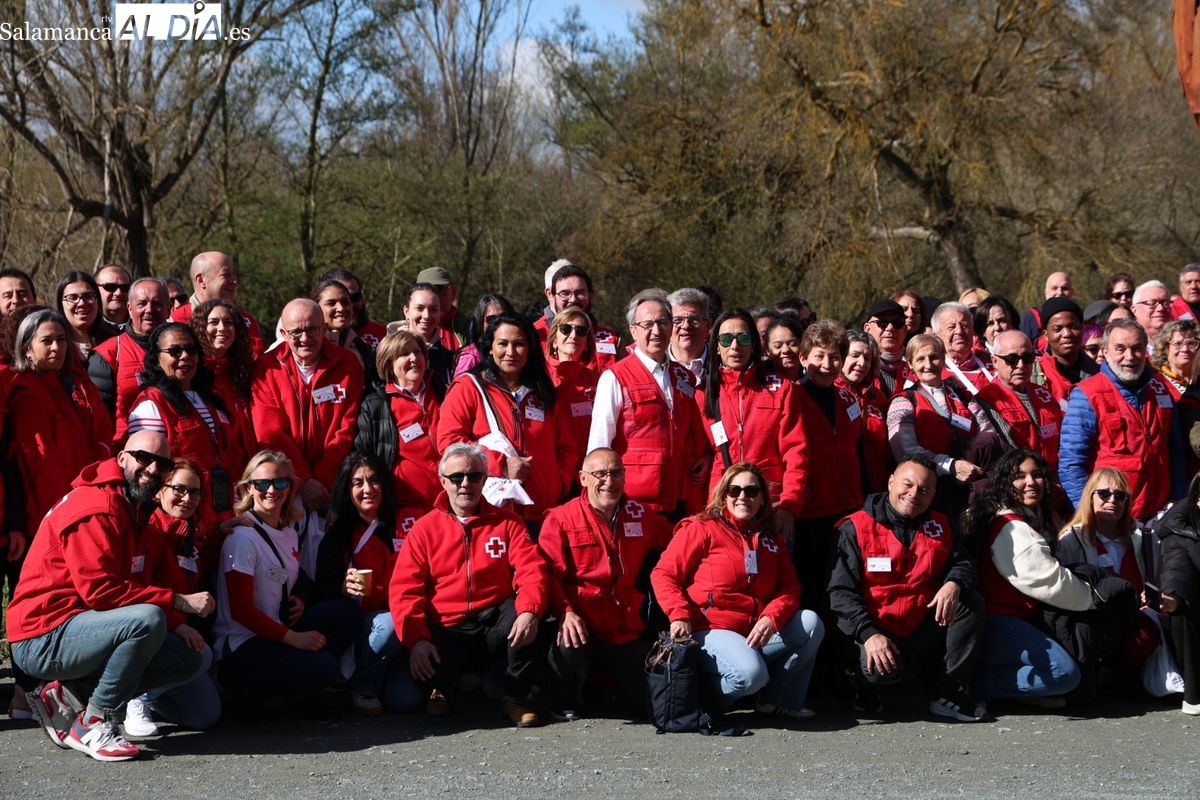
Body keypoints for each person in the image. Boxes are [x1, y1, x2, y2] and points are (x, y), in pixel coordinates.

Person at [8, 431, 212, 761]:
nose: (152, 469)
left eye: (162, 464)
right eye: (144, 458)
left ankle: (66, 699)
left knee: (190, 657)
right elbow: (101, 592)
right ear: (121, 458)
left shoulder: (132, 507)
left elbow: (134, 581)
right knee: (147, 620)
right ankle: (95, 722)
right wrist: (177, 601)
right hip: (41, 635)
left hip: (78, 626)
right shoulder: (98, 506)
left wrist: (176, 622)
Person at [388, 443, 551, 727]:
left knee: (528, 617)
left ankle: (514, 697)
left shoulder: (508, 522)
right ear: (443, 482)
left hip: (494, 622)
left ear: (484, 480)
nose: (465, 483)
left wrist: (530, 610)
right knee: (414, 684)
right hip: (447, 626)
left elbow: (532, 570)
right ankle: (444, 686)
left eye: (474, 476)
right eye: (456, 477)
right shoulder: (424, 530)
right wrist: (417, 640)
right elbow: (405, 590)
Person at [651, 462, 824, 722]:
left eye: (752, 491)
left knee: (810, 623)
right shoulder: (700, 528)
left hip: (753, 631)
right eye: (735, 490)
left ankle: (776, 701)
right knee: (751, 674)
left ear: (762, 499)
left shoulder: (770, 538)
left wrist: (771, 617)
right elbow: (663, 573)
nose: (743, 497)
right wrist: (679, 614)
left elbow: (789, 587)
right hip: (710, 629)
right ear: (724, 495)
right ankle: (699, 705)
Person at [827, 455, 986, 722]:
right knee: (876, 671)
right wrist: (869, 634)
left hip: (920, 622)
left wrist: (954, 583)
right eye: (907, 484)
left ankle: (950, 692)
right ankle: (862, 686)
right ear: (891, 482)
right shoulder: (853, 527)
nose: (914, 494)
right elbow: (839, 593)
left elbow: (964, 564)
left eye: (924, 490)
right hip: (873, 628)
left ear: (933, 494)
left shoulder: (943, 525)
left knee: (969, 602)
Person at [213, 451, 358, 703]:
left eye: (280, 482)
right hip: (243, 640)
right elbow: (241, 611)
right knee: (324, 668)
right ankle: (253, 690)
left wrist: (301, 597)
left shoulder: (288, 529)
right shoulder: (242, 537)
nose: (271, 490)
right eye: (262, 484)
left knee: (348, 612)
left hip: (277, 625)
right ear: (249, 488)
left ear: (290, 486)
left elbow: (294, 577)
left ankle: (294, 682)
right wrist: (296, 640)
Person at [538, 448, 672, 719]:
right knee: (567, 644)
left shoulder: (639, 514)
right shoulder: (561, 519)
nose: (609, 481)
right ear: (583, 478)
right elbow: (547, 576)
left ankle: (603, 687)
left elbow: (678, 538)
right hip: (580, 621)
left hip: (622, 627)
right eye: (600, 474)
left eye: (616, 473)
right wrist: (565, 612)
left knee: (654, 704)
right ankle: (561, 697)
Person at [963, 449, 1091, 707]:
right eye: (1019, 476)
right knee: (1064, 674)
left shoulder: (1036, 517)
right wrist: (1096, 596)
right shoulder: (1012, 528)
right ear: (1005, 483)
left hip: (1023, 619)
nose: (1031, 482)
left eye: (1037, 474)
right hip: (997, 622)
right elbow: (1053, 584)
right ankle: (970, 686)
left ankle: (1022, 691)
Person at [127, 322, 251, 574]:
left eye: (191, 350)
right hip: (181, 524)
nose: (185, 356)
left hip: (222, 516)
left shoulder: (211, 399)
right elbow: (145, 476)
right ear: (156, 358)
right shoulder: (151, 404)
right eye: (175, 351)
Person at [437, 312, 572, 530]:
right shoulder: (468, 388)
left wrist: (558, 484)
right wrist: (499, 465)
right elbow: (449, 443)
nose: (510, 352)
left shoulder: (543, 391)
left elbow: (565, 448)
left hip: (542, 513)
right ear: (490, 348)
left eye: (519, 344)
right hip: (492, 511)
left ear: (530, 349)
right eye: (502, 344)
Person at [587, 289, 711, 518]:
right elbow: (599, 444)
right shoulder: (615, 377)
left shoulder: (684, 377)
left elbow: (692, 434)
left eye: (663, 323)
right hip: (633, 502)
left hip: (679, 500)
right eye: (647, 324)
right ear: (633, 330)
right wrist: (600, 505)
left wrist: (706, 457)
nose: (656, 331)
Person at [315, 453, 422, 715]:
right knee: (391, 622)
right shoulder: (337, 537)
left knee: (406, 701)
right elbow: (322, 593)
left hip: (413, 622)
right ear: (346, 489)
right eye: (357, 483)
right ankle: (363, 685)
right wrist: (341, 587)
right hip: (370, 628)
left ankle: (379, 675)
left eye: (374, 480)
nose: (367, 489)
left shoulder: (412, 521)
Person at [125, 459, 222, 736]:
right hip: (148, 633)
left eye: (195, 492)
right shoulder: (147, 532)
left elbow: (195, 569)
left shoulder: (188, 532)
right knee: (202, 656)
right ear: (159, 492)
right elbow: (134, 596)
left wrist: (220, 532)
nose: (187, 498)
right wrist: (176, 624)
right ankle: (136, 698)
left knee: (204, 715)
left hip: (175, 633)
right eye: (179, 489)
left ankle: (138, 695)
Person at [1059, 318, 1187, 523]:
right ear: (1105, 351)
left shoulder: (1160, 389)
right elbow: (1072, 464)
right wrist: (1088, 515)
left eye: (1137, 348)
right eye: (1120, 349)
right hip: (1110, 518)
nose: (1129, 356)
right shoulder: (1087, 394)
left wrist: (1178, 502)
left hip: (1160, 514)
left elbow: (1176, 452)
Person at [695, 309, 805, 536]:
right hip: (722, 505)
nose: (735, 346)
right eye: (726, 339)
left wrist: (789, 505)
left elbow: (796, 451)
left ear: (754, 344)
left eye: (743, 338)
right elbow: (695, 455)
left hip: (771, 506)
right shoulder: (703, 393)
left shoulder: (780, 388)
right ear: (716, 346)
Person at [251, 298, 364, 512]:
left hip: (333, 485)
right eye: (296, 332)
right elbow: (269, 433)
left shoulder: (347, 365)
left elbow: (346, 429)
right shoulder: (265, 368)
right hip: (283, 487)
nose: (305, 339)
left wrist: (321, 481)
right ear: (284, 334)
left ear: (323, 328)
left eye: (312, 330)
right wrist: (301, 480)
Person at [1056, 468, 1158, 698]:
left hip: (1135, 614)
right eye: (1104, 494)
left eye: (1120, 496)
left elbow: (1156, 579)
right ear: (1090, 496)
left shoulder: (1143, 537)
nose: (1112, 500)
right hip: (1094, 613)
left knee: (1147, 633)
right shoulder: (1071, 539)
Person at [7, 309, 112, 530]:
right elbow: (43, 465)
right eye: (47, 341)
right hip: (61, 514)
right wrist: (67, 515)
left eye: (61, 340)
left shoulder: (64, 386)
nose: (56, 347)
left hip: (83, 499)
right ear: (27, 348)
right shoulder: (28, 394)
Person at [791, 319, 865, 610]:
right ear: (803, 358)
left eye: (834, 357)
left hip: (848, 508)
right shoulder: (792, 398)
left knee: (846, 582)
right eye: (819, 356)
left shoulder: (847, 398)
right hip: (811, 512)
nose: (826, 364)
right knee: (812, 586)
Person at [886, 334, 999, 516]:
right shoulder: (904, 402)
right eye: (920, 359)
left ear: (944, 359)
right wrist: (950, 466)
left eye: (934, 357)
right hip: (933, 494)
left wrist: (971, 465)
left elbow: (988, 432)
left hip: (975, 484)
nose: (928, 364)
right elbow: (906, 452)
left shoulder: (963, 396)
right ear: (910, 365)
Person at [354, 330, 442, 512]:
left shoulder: (442, 391)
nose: (414, 358)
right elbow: (364, 458)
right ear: (389, 365)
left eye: (417, 352)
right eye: (404, 354)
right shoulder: (376, 405)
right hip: (405, 508)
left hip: (450, 503)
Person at [90, 277, 170, 443]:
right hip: (129, 448)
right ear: (129, 307)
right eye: (142, 304)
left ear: (168, 309)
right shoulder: (109, 353)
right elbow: (98, 419)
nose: (149, 310)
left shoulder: (185, 350)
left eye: (157, 304)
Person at [977, 330, 1064, 478]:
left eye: (1027, 358)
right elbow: (1007, 454)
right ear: (995, 361)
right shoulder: (988, 401)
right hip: (1021, 481)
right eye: (1012, 359)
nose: (1021, 365)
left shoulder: (1044, 395)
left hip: (1056, 476)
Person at [1155, 472, 1200, 715]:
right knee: (1181, 609)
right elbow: (1177, 570)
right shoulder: (1179, 532)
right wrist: (1173, 598)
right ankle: (1194, 694)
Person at [190, 298, 258, 452]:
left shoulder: (244, 371)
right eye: (213, 322)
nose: (222, 328)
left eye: (228, 322)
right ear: (200, 328)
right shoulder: (191, 373)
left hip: (245, 461)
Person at [171, 251, 266, 358]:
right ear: (201, 280)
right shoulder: (176, 322)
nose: (234, 281)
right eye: (226, 275)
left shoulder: (247, 322)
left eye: (234, 275)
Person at [535, 260, 622, 372]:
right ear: (551, 295)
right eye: (565, 293)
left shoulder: (612, 339)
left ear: (590, 295)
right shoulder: (533, 335)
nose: (573, 300)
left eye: (580, 293)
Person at [544, 306, 601, 474]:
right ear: (554, 340)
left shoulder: (599, 381)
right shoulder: (539, 378)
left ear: (587, 344)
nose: (573, 335)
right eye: (566, 329)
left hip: (587, 472)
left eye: (581, 331)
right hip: (551, 470)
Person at [838, 329, 892, 494]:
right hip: (842, 489)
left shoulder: (877, 397)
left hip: (876, 487)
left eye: (867, 358)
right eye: (855, 355)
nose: (862, 363)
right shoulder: (829, 392)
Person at [1031, 296, 1097, 408]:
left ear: (1082, 329)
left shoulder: (1098, 372)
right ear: (1046, 335)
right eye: (1057, 329)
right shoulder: (1034, 375)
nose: (1067, 334)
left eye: (1073, 327)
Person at [312, 278, 378, 388]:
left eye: (345, 302)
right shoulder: (307, 348)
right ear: (316, 308)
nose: (341, 308)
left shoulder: (364, 349)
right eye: (331, 303)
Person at [401, 282, 455, 396]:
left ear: (440, 313)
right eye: (419, 308)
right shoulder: (387, 353)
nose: (426, 315)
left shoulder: (451, 361)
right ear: (406, 311)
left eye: (433, 310)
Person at [317, 267, 389, 351]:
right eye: (332, 302)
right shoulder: (310, 342)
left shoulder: (384, 337)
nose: (348, 306)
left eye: (354, 297)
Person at [931, 302, 994, 395]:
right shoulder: (932, 372)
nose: (959, 331)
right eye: (951, 327)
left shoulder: (993, 364)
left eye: (964, 325)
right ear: (936, 335)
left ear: (972, 330)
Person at [453, 293, 515, 380]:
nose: (498, 323)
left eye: (503, 317)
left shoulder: (516, 352)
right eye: (491, 319)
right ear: (481, 324)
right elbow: (460, 387)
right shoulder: (471, 358)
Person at [55, 270, 112, 363]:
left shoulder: (115, 341)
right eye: (73, 298)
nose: (81, 303)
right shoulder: (54, 345)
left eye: (88, 296)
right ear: (61, 304)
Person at [862, 299, 910, 396]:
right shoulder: (855, 365)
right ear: (867, 329)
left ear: (905, 330)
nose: (890, 328)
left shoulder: (916, 369)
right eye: (882, 323)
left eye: (898, 323)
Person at [667, 287, 712, 382]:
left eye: (694, 320)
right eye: (678, 320)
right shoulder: (655, 366)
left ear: (707, 326)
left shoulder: (722, 365)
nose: (686, 326)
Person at [414, 266, 464, 351]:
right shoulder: (400, 334)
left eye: (440, 290)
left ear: (453, 293)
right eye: (427, 291)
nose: (434, 297)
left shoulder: (470, 330)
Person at [1019, 271, 1073, 344]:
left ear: (1072, 292)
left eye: (1064, 288)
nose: (1060, 292)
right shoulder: (1030, 318)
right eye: (1054, 288)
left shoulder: (1081, 318)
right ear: (1046, 292)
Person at [1152, 319, 1199, 395]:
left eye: (1191, 343)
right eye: (1177, 344)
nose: (1185, 349)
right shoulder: (1155, 381)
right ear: (1165, 348)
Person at [1132, 280, 1173, 348]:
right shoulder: (1127, 346)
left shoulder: (1184, 346)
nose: (1160, 308)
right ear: (1134, 310)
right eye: (1152, 303)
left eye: (1165, 303)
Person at [763, 315, 804, 382]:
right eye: (778, 346)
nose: (786, 350)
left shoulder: (815, 378)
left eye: (793, 344)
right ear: (767, 349)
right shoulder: (758, 380)